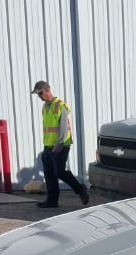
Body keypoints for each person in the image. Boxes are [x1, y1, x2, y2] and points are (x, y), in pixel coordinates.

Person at [31, 80, 88, 208]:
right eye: (38, 95)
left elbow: (63, 126)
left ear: (47, 90)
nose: (39, 97)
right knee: (49, 173)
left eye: (40, 93)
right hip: (48, 145)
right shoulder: (45, 107)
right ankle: (52, 201)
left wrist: (60, 143)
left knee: (60, 172)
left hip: (60, 145)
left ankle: (80, 190)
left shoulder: (60, 105)